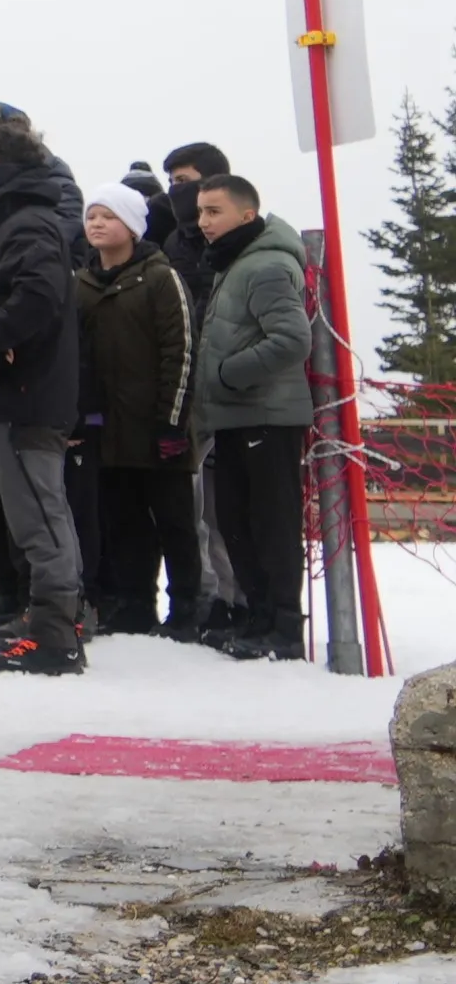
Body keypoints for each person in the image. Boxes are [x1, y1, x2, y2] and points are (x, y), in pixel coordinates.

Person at [0, 124, 88, 676]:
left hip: (26, 399)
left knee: (41, 516)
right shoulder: (12, 223)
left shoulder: (29, 223)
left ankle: (57, 634)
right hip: (11, 400)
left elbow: (38, 293)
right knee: (34, 516)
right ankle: (50, 620)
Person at [189, 173, 315, 662]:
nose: (203, 222)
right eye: (200, 212)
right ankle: (259, 618)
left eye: (213, 211)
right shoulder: (234, 263)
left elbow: (291, 339)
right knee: (236, 521)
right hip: (235, 417)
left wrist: (226, 374)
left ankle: (282, 627)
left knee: (271, 524)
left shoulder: (263, 266)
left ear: (247, 214)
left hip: (266, 418)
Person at [74, 181, 196, 638]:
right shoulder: (81, 284)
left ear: (132, 225)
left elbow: (180, 350)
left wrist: (173, 423)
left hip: (158, 428)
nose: (98, 224)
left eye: (108, 216)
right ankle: (133, 603)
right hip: (106, 430)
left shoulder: (161, 277)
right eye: (92, 217)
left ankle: (186, 608)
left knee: (174, 522)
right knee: (121, 522)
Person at [155, 141, 232, 312]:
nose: (174, 190)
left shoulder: (242, 235)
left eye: (182, 180)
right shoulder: (174, 242)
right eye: (172, 182)